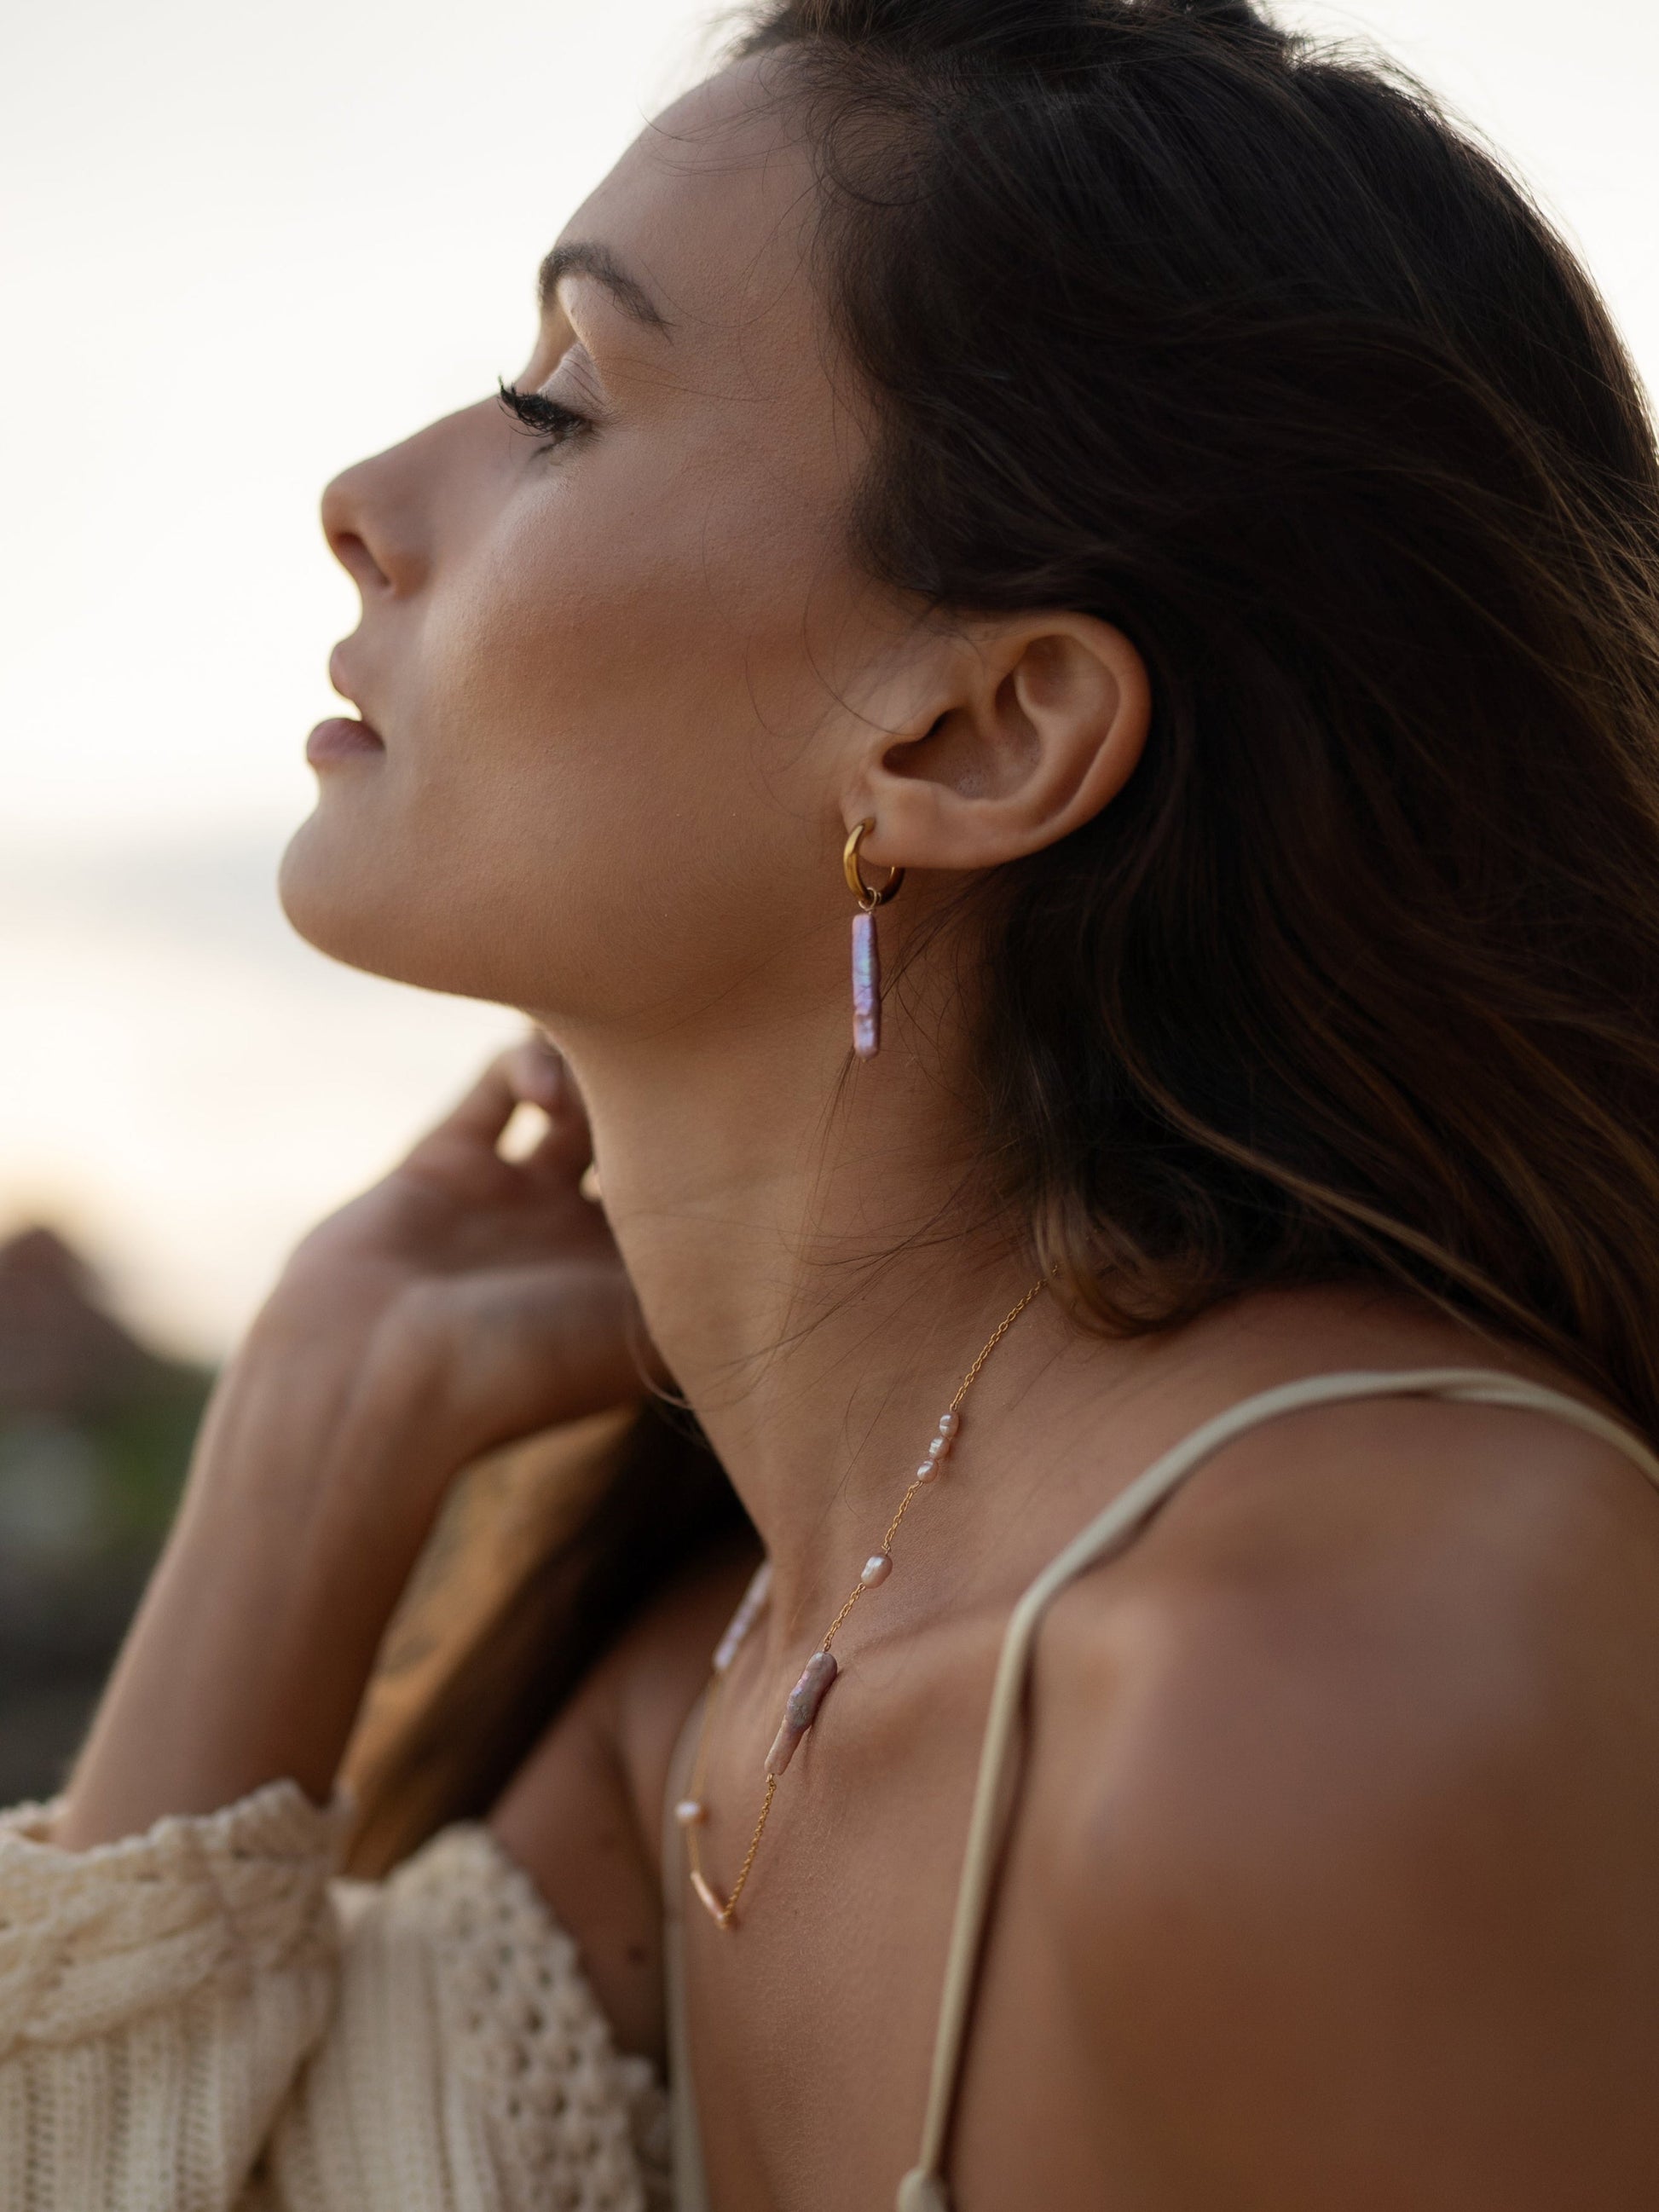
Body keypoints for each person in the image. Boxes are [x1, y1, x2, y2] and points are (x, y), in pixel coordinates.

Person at [9, 0, 1659, 2203]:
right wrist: (316, 1429)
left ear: (971, 739)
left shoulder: (1345, 1672)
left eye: (558, 405)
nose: (368, 502)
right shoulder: (719, 1709)